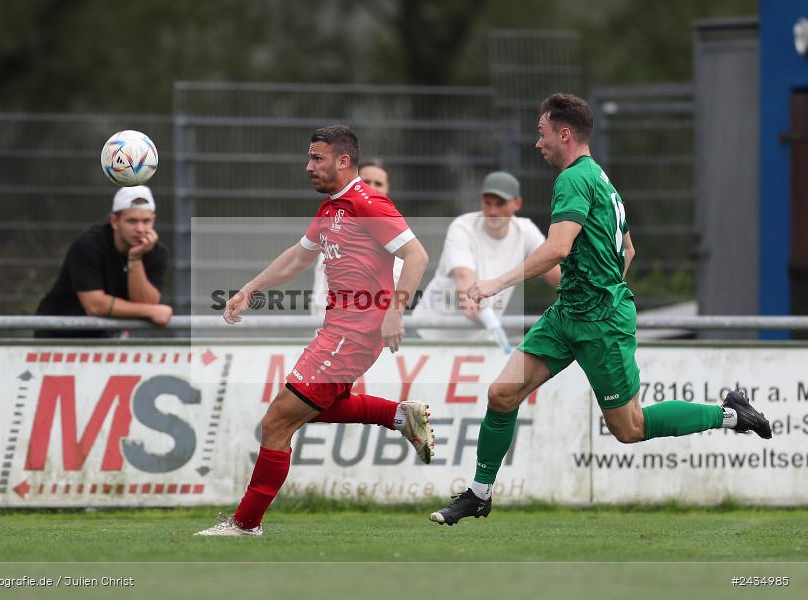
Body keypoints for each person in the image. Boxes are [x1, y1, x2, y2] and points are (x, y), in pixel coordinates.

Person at [430, 93, 772, 526]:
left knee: (629, 428)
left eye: (542, 133)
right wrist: (598, 283)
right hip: (568, 314)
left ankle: (731, 414)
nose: (538, 143)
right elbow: (628, 249)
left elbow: (557, 248)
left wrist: (496, 283)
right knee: (502, 394)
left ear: (564, 134)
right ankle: (479, 494)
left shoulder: (574, 179)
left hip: (599, 323)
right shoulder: (602, 180)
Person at [195, 125, 434, 537]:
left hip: (354, 334)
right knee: (313, 408)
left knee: (277, 420)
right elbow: (297, 258)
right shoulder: (330, 209)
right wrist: (250, 289)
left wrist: (396, 309)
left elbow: (417, 255)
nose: (309, 167)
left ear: (343, 161)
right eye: (309, 158)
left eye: (316, 158)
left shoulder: (367, 202)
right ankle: (399, 416)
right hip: (338, 331)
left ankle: (245, 523)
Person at [413, 171, 560, 350]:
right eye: (487, 203)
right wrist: (485, 313)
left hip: (481, 342)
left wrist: (584, 302)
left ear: (517, 204)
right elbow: (465, 284)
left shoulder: (526, 231)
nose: (492, 211)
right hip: (428, 336)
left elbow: (555, 273)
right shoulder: (462, 227)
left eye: (500, 204)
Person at [33, 185, 172, 338]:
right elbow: (94, 306)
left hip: (106, 339)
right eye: (132, 221)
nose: (140, 229)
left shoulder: (156, 252)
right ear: (114, 221)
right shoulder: (89, 244)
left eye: (146, 221)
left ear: (154, 220)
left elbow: (145, 302)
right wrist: (151, 311)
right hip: (59, 337)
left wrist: (135, 258)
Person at [310, 159, 403, 317]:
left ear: (387, 190)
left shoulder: (399, 237)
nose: (372, 188)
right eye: (366, 182)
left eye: (378, 184)